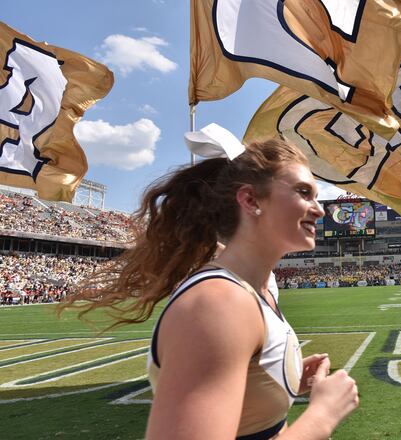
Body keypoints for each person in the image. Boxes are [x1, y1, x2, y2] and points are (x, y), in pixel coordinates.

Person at [60, 139, 358, 440]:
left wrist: (282, 375)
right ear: (251, 201)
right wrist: (322, 416)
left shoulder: (254, 289)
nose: (319, 210)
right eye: (304, 192)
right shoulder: (219, 303)